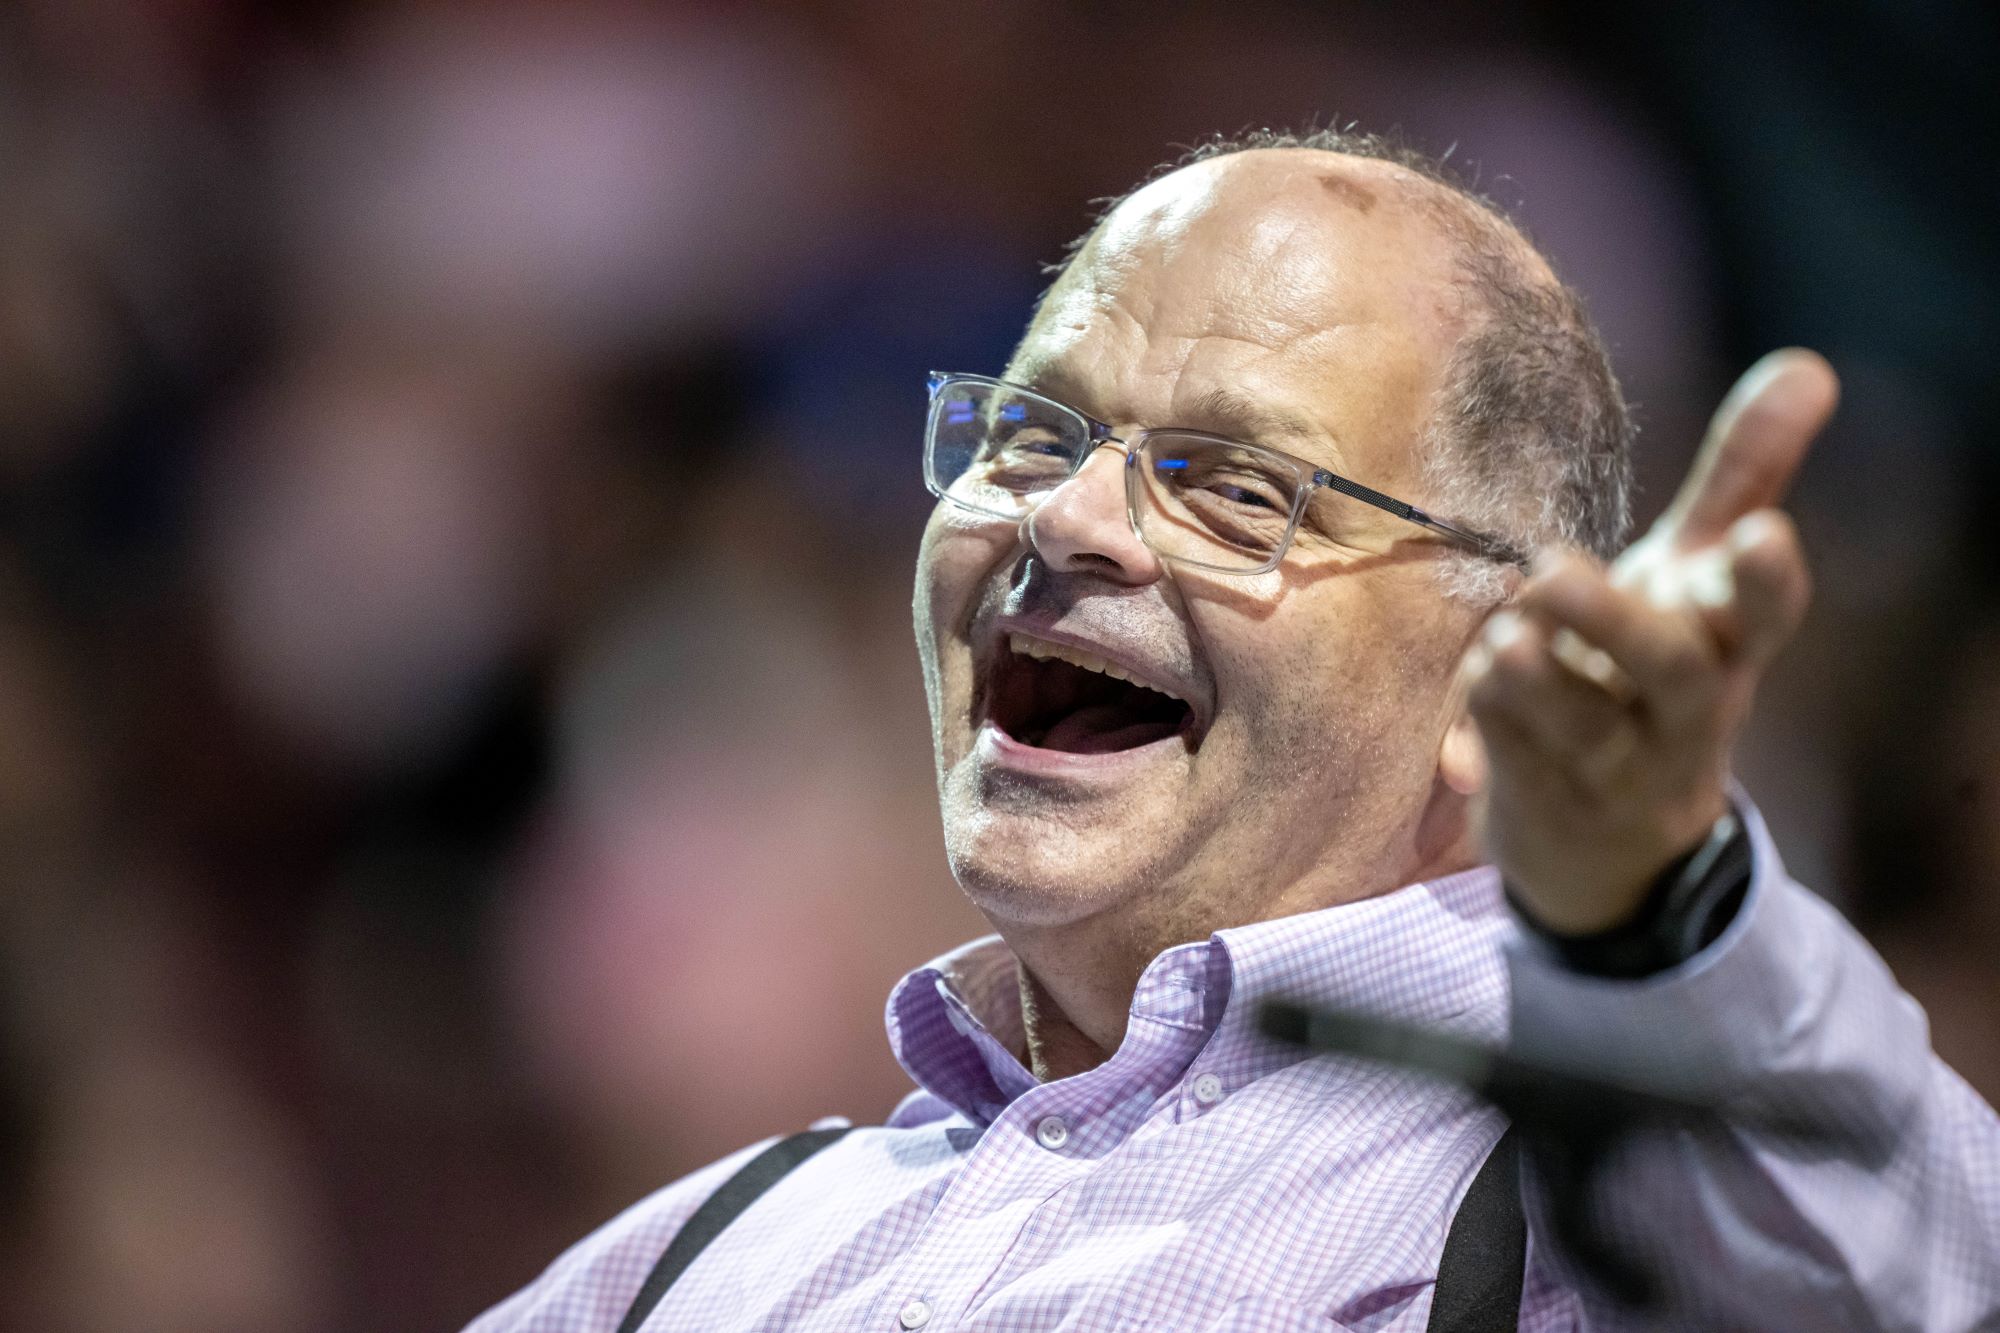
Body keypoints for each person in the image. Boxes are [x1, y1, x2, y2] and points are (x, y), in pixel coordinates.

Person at [466, 129, 2000, 1331]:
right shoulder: (701, 1257)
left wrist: (1656, 902)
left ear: (1493, 671)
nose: (1066, 515)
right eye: (1028, 431)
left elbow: (1931, 1277)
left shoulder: (1610, 1208)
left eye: (1235, 487)